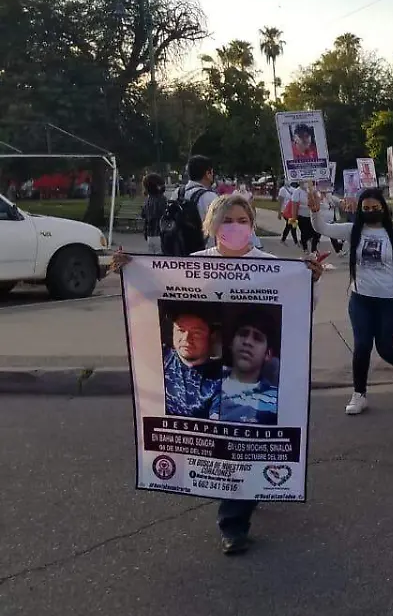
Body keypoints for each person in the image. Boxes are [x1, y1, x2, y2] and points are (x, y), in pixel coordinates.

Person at [115, 194, 323, 555]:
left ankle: (235, 521)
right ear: (211, 227)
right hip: (212, 376)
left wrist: (311, 281)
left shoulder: (270, 265)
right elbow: (152, 291)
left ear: (253, 225)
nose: (236, 227)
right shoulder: (195, 265)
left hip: (247, 377)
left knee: (249, 439)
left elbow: (300, 307)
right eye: (228, 220)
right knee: (224, 448)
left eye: (243, 220)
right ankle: (238, 512)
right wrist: (129, 269)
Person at [311, 188, 393, 414]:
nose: (370, 212)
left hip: (391, 300)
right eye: (366, 208)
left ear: (383, 208)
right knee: (362, 346)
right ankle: (359, 394)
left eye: (375, 208)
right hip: (361, 299)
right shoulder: (353, 231)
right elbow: (322, 228)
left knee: (385, 347)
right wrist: (314, 211)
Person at [210, 313, 280, 425]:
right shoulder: (208, 383)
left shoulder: (276, 401)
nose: (247, 342)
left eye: (257, 338)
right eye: (243, 334)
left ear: (268, 354)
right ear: (231, 343)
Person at [140, 174, 168, 254]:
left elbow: (143, 215)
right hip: (160, 235)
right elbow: (165, 215)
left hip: (150, 235)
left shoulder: (148, 200)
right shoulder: (161, 199)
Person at [291, 181, 320, 252]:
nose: (306, 183)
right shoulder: (297, 191)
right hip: (302, 216)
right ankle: (305, 248)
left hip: (312, 215)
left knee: (316, 233)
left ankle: (314, 249)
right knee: (304, 232)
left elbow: (318, 200)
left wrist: (311, 192)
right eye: (304, 181)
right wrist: (294, 219)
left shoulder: (314, 190)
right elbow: (294, 206)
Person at [278, 181, 300, 246]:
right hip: (286, 212)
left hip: (292, 211)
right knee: (292, 226)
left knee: (290, 226)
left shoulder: (294, 190)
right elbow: (280, 201)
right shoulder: (282, 190)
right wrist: (279, 212)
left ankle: (283, 240)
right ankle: (295, 242)